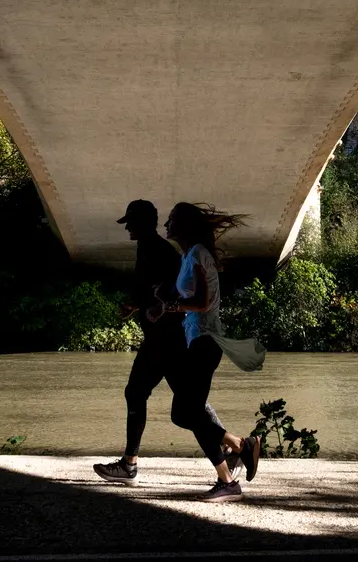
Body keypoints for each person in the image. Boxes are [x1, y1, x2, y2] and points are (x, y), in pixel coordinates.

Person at [92, 200, 240, 485]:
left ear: (146, 221)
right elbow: (167, 291)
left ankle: (131, 465)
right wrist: (138, 305)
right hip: (166, 339)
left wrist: (166, 308)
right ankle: (234, 446)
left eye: (131, 222)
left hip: (169, 341)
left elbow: (188, 297)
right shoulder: (155, 250)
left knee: (165, 401)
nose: (128, 229)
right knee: (185, 405)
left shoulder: (165, 251)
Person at [149, 202, 266, 503]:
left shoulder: (199, 253)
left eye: (172, 219)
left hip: (205, 343)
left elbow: (202, 303)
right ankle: (238, 451)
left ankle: (233, 467)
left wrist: (171, 306)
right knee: (192, 411)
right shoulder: (189, 255)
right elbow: (188, 296)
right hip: (196, 342)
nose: (166, 224)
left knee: (184, 412)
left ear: (185, 226)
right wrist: (162, 301)